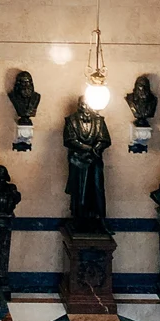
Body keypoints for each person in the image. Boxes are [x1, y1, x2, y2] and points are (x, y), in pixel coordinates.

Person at [63, 98, 111, 228]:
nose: (86, 107)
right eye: (83, 104)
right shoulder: (71, 120)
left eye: (88, 104)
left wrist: (97, 147)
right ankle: (79, 218)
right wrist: (89, 148)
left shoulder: (99, 121)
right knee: (80, 189)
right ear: (79, 106)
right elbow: (69, 139)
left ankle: (100, 219)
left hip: (95, 160)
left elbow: (105, 139)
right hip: (78, 161)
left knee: (98, 188)